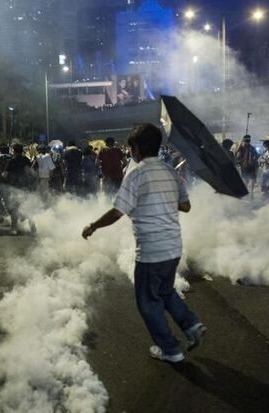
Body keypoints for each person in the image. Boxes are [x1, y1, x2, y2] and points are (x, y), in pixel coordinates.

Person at [82, 123, 205, 363]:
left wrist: (93, 226)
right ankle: (191, 325)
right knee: (165, 290)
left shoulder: (135, 175)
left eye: (131, 148)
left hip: (152, 250)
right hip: (173, 246)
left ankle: (170, 349)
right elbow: (186, 206)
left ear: (136, 148)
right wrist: (164, 200)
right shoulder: (170, 172)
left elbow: (117, 212)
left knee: (148, 301)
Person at [4, 143, 36, 235]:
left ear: (13, 151)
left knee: (14, 209)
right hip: (25, 187)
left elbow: (5, 175)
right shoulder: (26, 160)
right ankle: (33, 228)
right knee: (27, 208)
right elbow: (30, 173)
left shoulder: (11, 161)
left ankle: (14, 229)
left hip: (14, 187)